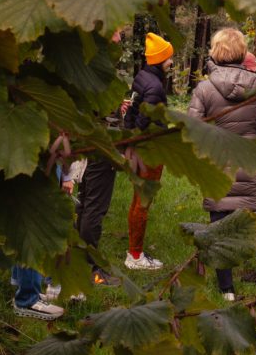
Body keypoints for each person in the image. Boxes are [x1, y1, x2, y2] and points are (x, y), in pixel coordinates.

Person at [187, 27, 256, 301]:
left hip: (218, 164)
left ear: (216, 52)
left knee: (219, 224)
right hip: (249, 160)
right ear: (242, 52)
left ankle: (227, 289)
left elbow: (192, 128)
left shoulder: (204, 89)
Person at [75, 27, 129, 288]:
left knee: (85, 203)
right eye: (116, 33)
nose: (120, 38)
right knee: (93, 206)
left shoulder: (86, 62)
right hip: (98, 146)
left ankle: (79, 260)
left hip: (89, 142)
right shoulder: (98, 66)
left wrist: (115, 106)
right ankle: (91, 269)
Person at [122, 32, 173, 270]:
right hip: (149, 151)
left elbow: (132, 113)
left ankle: (134, 249)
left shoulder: (143, 76)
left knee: (137, 201)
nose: (171, 62)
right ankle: (135, 256)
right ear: (160, 59)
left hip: (138, 148)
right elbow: (144, 121)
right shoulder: (154, 86)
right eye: (169, 58)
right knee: (143, 202)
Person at [12, 169, 74, 319]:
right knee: (35, 225)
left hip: (44, 163)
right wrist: (68, 175)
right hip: (37, 164)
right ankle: (27, 299)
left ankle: (24, 286)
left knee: (33, 221)